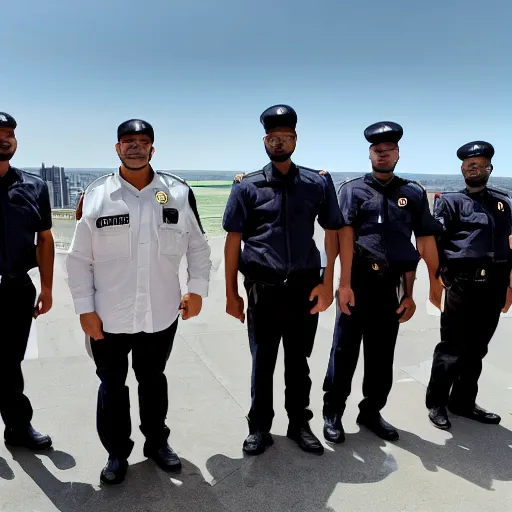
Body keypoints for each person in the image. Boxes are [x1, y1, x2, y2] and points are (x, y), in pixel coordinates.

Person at [66, 119, 212, 485]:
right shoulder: (97, 195)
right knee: (112, 387)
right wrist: (85, 310)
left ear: (153, 149)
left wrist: (196, 290)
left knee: (153, 381)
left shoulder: (177, 193)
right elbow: (78, 258)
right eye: (128, 142)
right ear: (117, 149)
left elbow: (198, 245)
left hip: (161, 314)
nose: (135, 147)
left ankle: (157, 444)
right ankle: (117, 452)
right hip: (108, 318)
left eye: (142, 141)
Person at [222, 104, 342, 456]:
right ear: (265, 140)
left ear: (295, 139)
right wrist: (231, 292)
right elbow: (233, 241)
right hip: (263, 289)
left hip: (305, 287)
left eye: (286, 137)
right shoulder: (247, 187)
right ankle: (259, 427)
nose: (279, 143)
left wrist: (327, 282)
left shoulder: (316, 183)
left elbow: (332, 232)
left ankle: (299, 424)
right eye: (273, 138)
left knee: (298, 362)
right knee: (263, 361)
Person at [322, 121, 442, 443]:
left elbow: (415, 245)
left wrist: (412, 293)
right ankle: (332, 412)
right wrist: (341, 284)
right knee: (343, 352)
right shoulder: (351, 191)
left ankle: (371, 412)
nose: (383, 155)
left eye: (389, 150)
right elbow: (339, 238)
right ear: (370, 154)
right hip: (357, 283)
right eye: (378, 150)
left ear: (397, 153)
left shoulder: (413, 193)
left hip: (390, 288)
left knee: (381, 356)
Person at [426, 141, 512, 430]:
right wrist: (438, 278)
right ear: (462, 169)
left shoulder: (503, 204)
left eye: (479, 164)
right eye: (468, 165)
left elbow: (509, 246)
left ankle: (463, 402)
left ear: (490, 168)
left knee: (477, 350)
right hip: (462, 285)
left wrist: (510, 286)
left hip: (495, 285)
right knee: (451, 348)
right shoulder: (450, 202)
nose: (473, 169)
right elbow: (437, 241)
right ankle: (437, 403)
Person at [0, 112, 54, 450]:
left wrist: (47, 288)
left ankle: (18, 429)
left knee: (8, 363)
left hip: (16, 289)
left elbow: (45, 239)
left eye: (9, 133)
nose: (4, 138)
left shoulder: (34, 186)